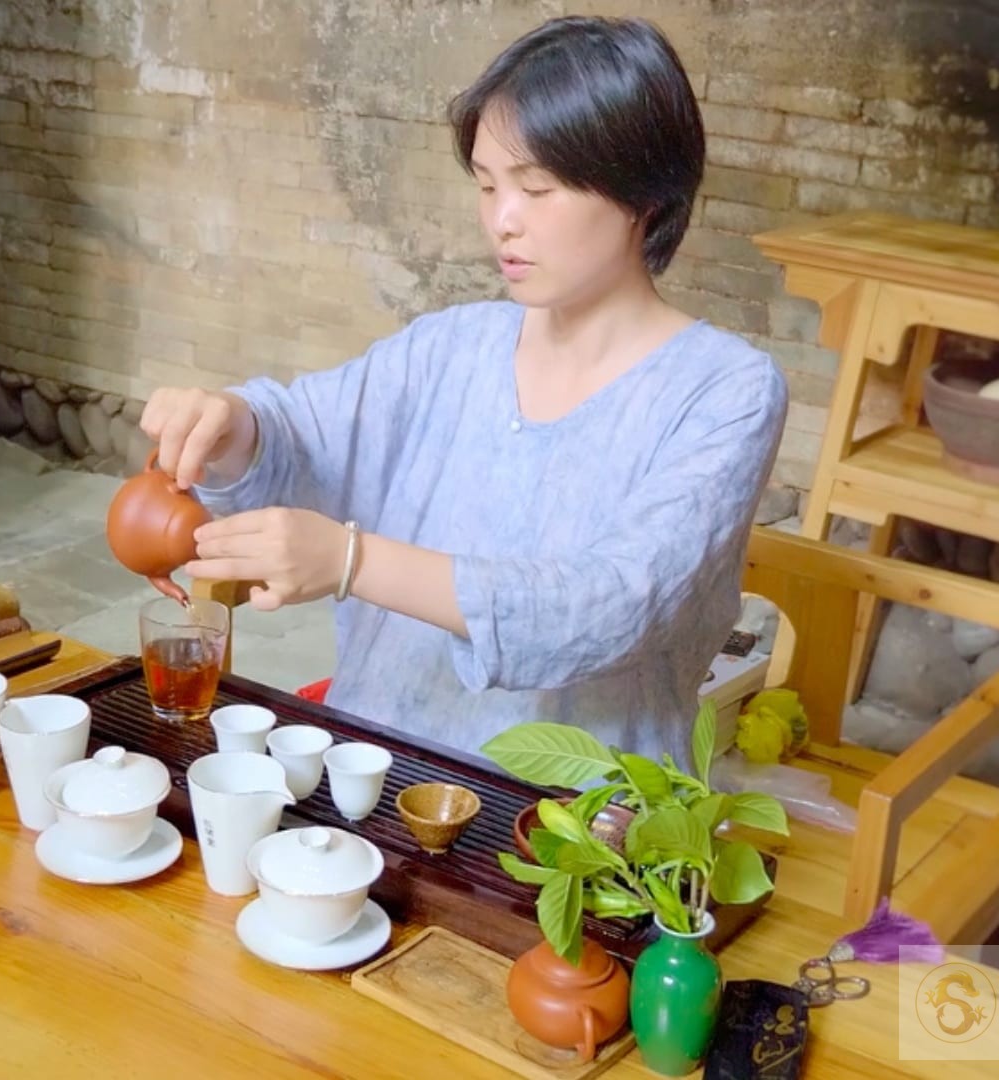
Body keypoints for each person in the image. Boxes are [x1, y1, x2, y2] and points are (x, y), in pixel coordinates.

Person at [137, 15, 788, 769]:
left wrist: (350, 561)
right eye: (486, 185)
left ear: (643, 193)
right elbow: (304, 430)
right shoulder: (450, 346)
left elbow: (610, 606)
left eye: (536, 188)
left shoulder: (724, 391)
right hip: (368, 771)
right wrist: (235, 427)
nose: (502, 221)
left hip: (571, 829)